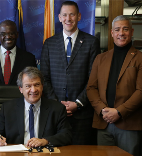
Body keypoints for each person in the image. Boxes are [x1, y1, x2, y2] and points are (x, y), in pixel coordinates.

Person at [86, 15, 142, 155]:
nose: (121, 33)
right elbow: (91, 88)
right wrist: (103, 109)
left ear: (132, 32)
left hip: (129, 123)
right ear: (112, 33)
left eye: (125, 29)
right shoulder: (100, 58)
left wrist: (119, 112)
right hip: (103, 122)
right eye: (117, 29)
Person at [40, 1, 100, 145]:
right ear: (59, 17)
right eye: (65, 15)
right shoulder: (49, 43)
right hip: (54, 113)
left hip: (82, 114)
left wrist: (78, 103)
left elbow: (94, 78)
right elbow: (44, 77)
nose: (68, 18)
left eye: (72, 14)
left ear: (79, 16)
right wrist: (56, 103)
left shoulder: (91, 42)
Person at [0, 67, 72, 147]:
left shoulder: (57, 108)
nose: (33, 90)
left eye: (37, 85)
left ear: (42, 86)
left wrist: (45, 141)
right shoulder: (7, 108)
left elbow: (66, 135)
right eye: (28, 86)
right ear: (20, 89)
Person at [0, 20, 37, 85]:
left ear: (17, 35)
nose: (8, 37)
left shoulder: (29, 58)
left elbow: (32, 83)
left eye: (11, 33)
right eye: (3, 34)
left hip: (18, 95)